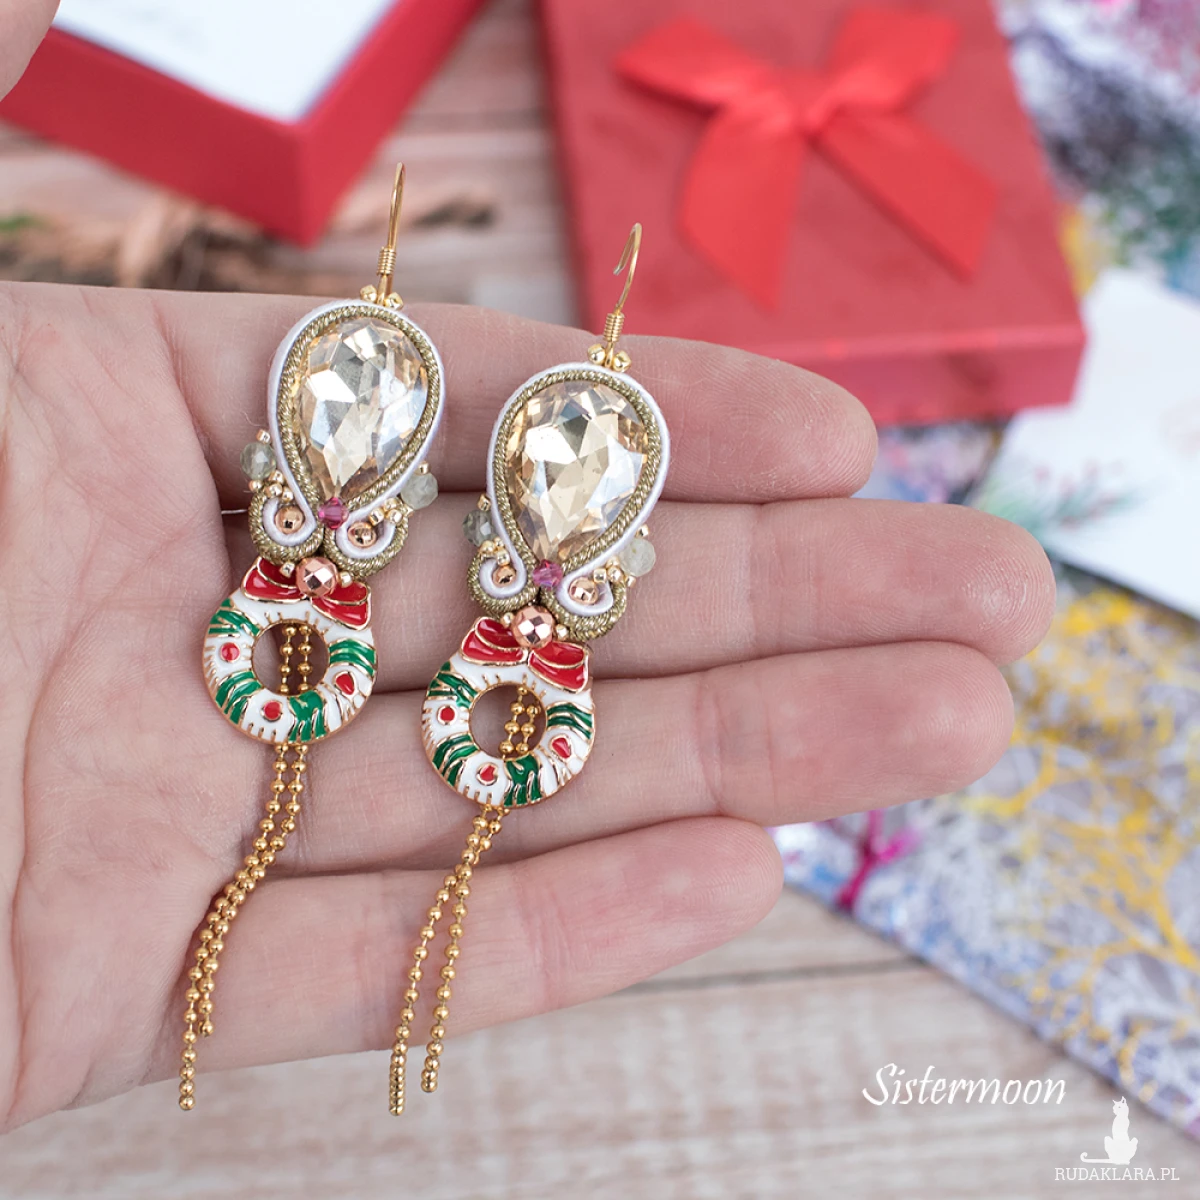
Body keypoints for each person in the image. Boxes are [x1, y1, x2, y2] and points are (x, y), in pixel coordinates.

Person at [0, 6, 1055, 1134]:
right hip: (391, 593)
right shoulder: (360, 447)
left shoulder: (532, 505)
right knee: (313, 817)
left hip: (482, 618)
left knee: (368, 835)